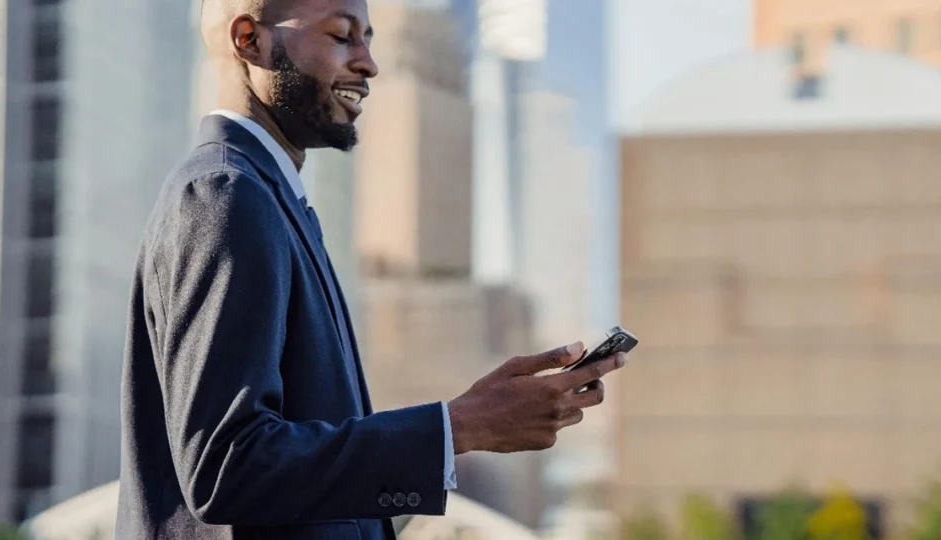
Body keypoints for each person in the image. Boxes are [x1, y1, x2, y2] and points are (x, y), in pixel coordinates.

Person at [114, 0, 627, 538]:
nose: (368, 63)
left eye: (369, 39)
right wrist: (459, 427)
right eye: (341, 36)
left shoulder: (270, 201)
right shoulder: (226, 195)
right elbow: (225, 466)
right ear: (250, 40)